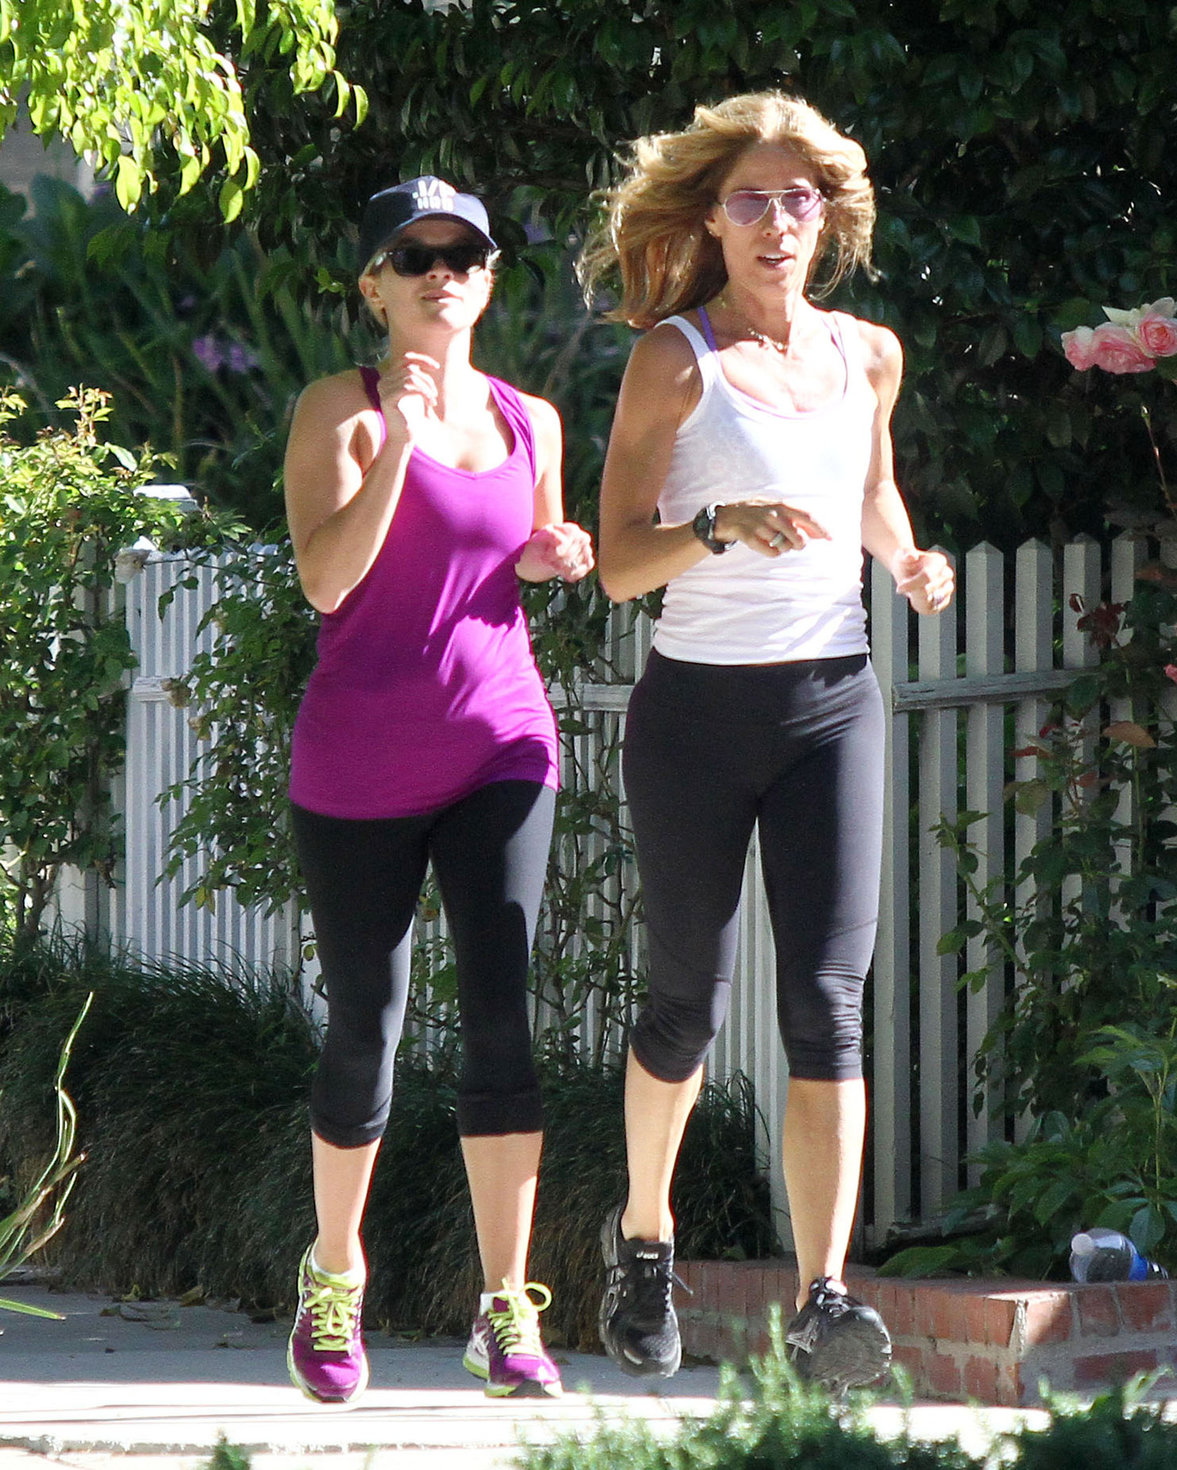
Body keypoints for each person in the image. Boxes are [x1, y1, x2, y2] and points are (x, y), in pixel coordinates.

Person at [578, 93, 954, 1394]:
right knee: (685, 996)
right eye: (750, 198)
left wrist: (905, 557)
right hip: (695, 716)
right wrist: (718, 525)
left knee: (827, 998)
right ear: (709, 217)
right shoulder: (671, 360)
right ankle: (644, 1239)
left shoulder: (868, 353)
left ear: (829, 213)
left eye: (799, 198)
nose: (776, 220)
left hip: (830, 705)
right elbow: (620, 564)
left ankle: (824, 1292)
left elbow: (867, 489)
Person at [282, 175, 594, 1405]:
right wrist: (400, 446)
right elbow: (325, 583)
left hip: (498, 743)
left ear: (486, 275)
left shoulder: (534, 419)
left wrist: (553, 554)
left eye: (461, 252)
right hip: (359, 763)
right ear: (374, 284)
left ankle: (505, 1312)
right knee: (369, 1025)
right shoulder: (337, 413)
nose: (439, 271)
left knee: (503, 1016)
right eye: (412, 254)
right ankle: (335, 1275)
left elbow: (529, 548)